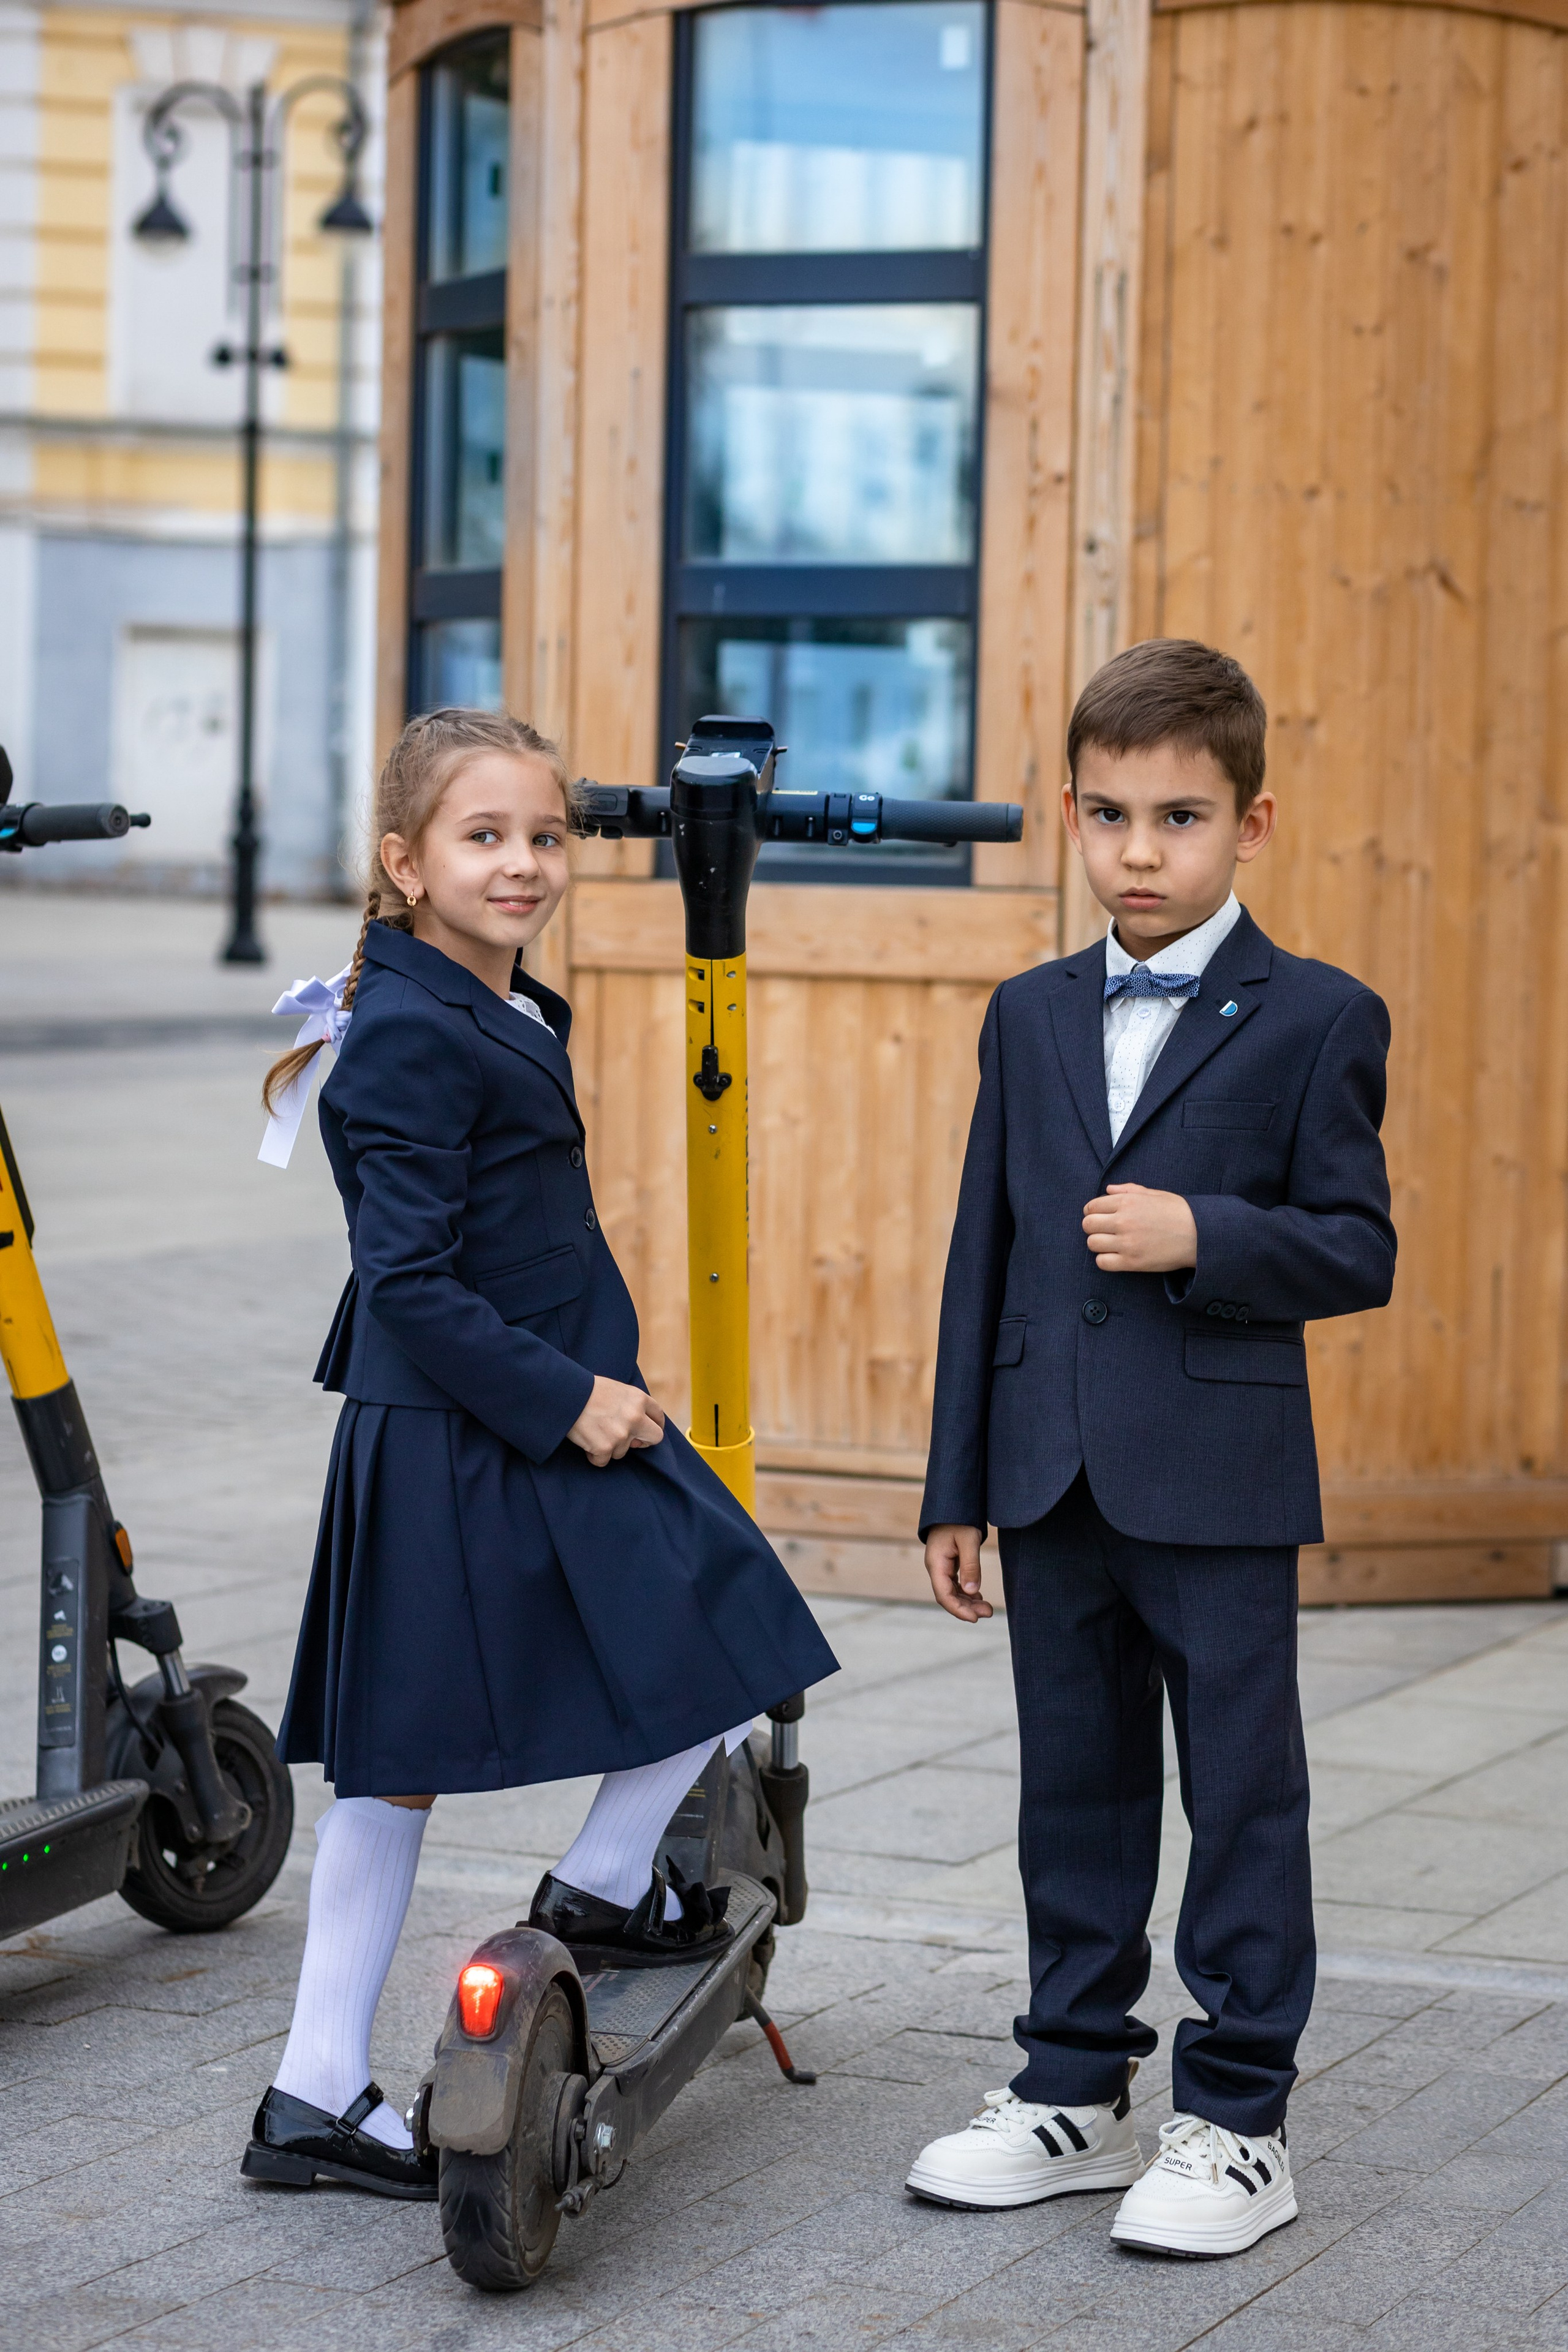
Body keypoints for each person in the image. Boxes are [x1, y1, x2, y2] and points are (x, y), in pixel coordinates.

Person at [241, 707, 837, 2201]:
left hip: (497, 1413)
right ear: (405, 861)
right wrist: (569, 1397)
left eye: (546, 836)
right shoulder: (400, 1039)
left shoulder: (497, 1006)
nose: (522, 864)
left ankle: (367, 2051)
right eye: (483, 837)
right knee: (707, 1633)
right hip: (480, 1424)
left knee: (699, 1634)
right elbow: (408, 1282)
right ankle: (343, 2071)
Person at [905, 641, 1395, 2257]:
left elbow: (1356, 1249)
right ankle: (1072, 2088)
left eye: (1178, 818)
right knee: (1077, 1789)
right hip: (1048, 1476)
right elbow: (984, 1251)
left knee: (1245, 1795)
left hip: (1222, 1479)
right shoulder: (1027, 1014)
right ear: (1067, 812)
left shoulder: (1320, 1018)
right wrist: (956, 1486)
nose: (1138, 851)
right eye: (1108, 815)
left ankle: (1240, 2119)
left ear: (1250, 827)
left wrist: (1208, 1232)